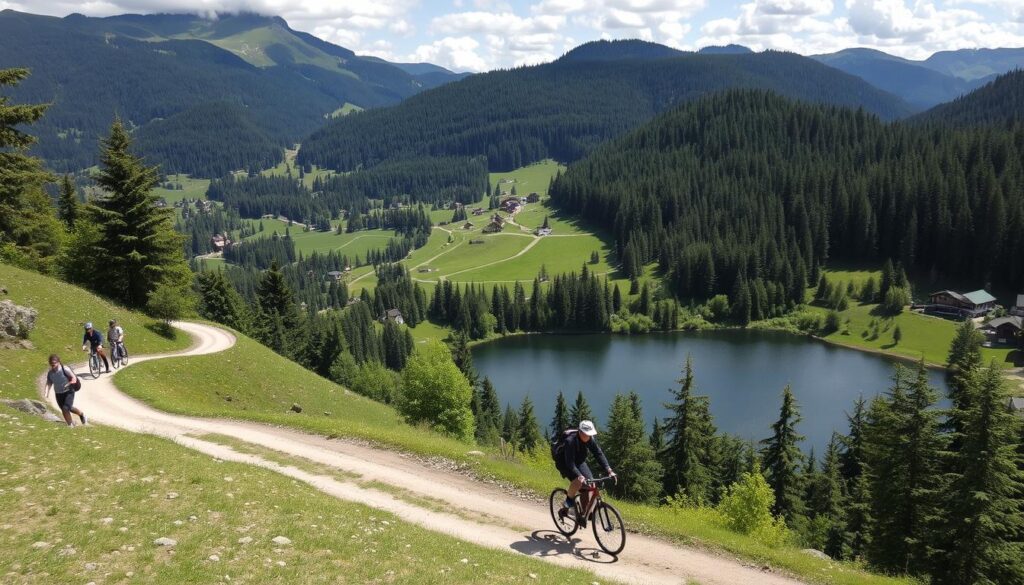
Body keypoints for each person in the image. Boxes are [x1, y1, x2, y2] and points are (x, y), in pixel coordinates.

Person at [555, 420, 615, 516]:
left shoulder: (590, 439)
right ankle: (567, 503)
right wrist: (579, 475)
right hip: (565, 463)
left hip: (579, 461)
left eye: (590, 434)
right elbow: (570, 463)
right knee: (578, 481)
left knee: (590, 485)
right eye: (586, 434)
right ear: (580, 432)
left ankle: (584, 512)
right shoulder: (570, 441)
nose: (588, 436)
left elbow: (598, 453)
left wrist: (609, 469)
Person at [44, 354, 86, 426]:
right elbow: (49, 382)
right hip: (58, 393)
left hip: (69, 391)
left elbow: (74, 378)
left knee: (65, 408)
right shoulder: (50, 373)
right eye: (51, 363)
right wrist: (46, 392)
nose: (53, 364)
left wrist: (71, 382)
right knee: (67, 408)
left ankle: (70, 425)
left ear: (58, 362)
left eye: (54, 362)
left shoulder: (65, 369)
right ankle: (81, 414)